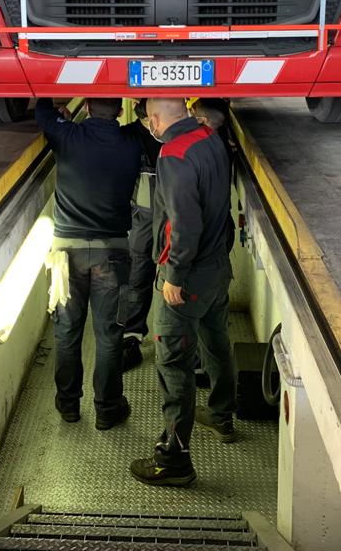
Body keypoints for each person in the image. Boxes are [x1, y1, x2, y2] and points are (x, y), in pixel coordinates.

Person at [130, 98, 238, 487]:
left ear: (155, 119)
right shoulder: (210, 137)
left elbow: (183, 223)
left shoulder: (173, 154)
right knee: (216, 342)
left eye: (149, 120)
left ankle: (174, 459)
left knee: (173, 362)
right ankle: (221, 416)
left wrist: (173, 276)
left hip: (187, 279)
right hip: (216, 268)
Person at [35, 98, 142, 430]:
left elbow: (41, 109)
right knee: (109, 335)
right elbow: (149, 113)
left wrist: (62, 114)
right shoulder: (133, 140)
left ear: (88, 107)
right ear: (120, 111)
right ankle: (107, 409)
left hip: (67, 252)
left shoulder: (67, 135)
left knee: (67, 331)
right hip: (113, 251)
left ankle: (68, 405)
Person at [119, 99, 161, 372]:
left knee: (176, 279)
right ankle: (130, 337)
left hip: (172, 218)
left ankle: (178, 342)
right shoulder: (128, 136)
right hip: (141, 221)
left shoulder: (176, 132)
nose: (153, 126)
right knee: (136, 278)